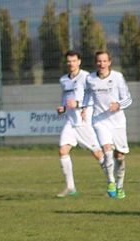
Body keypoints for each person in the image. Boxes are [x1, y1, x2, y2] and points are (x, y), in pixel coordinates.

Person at [56, 50, 105, 198]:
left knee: (97, 153)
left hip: (83, 122)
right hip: (71, 121)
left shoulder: (87, 77)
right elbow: (66, 98)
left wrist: (80, 105)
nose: (71, 64)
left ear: (79, 62)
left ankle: (113, 182)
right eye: (69, 61)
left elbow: (93, 97)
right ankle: (70, 187)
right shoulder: (63, 79)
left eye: (74, 61)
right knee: (63, 151)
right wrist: (63, 108)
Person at [84, 50, 132, 199]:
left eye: (104, 61)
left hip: (117, 122)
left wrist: (118, 105)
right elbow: (87, 95)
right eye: (99, 61)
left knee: (120, 156)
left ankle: (120, 186)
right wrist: (84, 107)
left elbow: (128, 99)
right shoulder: (90, 78)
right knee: (106, 149)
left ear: (109, 62)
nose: (101, 64)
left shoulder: (117, 77)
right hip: (100, 120)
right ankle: (110, 182)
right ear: (95, 62)